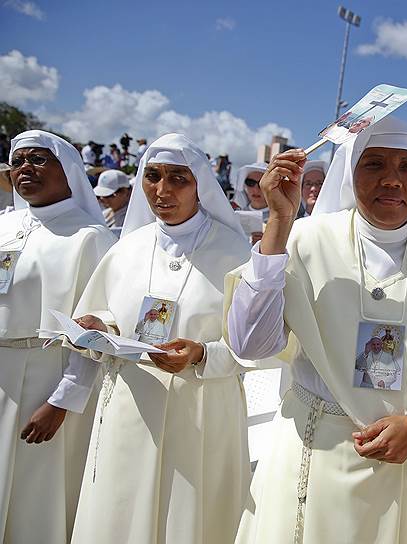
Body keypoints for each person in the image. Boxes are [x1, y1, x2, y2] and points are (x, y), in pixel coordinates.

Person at [226, 116, 407, 544]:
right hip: (312, 450)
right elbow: (250, 344)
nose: (392, 180)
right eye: (374, 164)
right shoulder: (304, 239)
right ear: (350, 172)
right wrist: (278, 222)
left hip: (405, 455)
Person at [70, 133, 254, 544]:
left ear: (200, 186)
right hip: (131, 402)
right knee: (121, 510)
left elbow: (256, 344)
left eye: (178, 178)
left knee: (190, 517)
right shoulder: (127, 247)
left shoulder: (233, 251)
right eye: (152, 176)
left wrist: (203, 354)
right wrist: (100, 326)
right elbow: (109, 311)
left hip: (202, 406)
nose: (162, 189)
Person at [1, 130, 116, 543]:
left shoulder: (90, 236)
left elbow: (98, 326)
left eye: (38, 159)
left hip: (46, 378)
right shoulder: (5, 225)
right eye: (18, 161)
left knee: (36, 495)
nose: (25, 169)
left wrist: (64, 399)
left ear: (67, 170)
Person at [232, 161, 269, 243]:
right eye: (250, 183)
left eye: (262, 183)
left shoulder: (279, 218)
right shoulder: (235, 216)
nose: (256, 189)